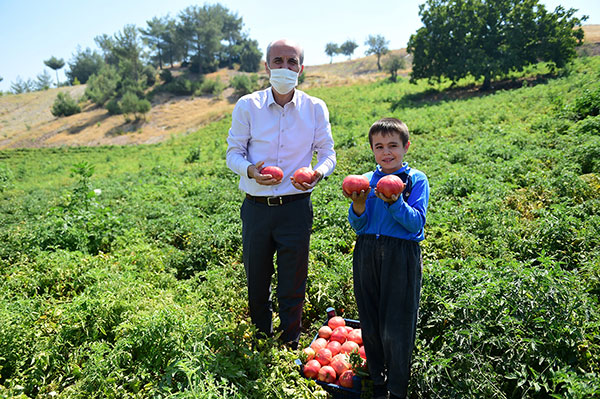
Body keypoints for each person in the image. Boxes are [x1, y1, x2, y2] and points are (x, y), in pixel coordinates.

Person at [226, 38, 336, 349]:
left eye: (291, 61)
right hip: (257, 207)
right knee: (257, 279)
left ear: (301, 68)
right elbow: (233, 153)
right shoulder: (248, 105)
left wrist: (318, 173)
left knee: (293, 279)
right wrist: (250, 171)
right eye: (278, 61)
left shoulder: (314, 108)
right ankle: (262, 337)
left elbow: (328, 153)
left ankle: (290, 341)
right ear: (267, 66)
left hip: (295, 207)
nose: (284, 67)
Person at [344, 118, 429, 399]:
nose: (386, 152)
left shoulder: (415, 180)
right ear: (372, 150)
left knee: (397, 321)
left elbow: (416, 224)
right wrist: (357, 206)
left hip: (400, 254)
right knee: (370, 315)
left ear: (406, 147)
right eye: (379, 146)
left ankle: (397, 386)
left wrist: (396, 203)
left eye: (393, 145)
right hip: (367, 251)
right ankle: (378, 380)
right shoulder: (367, 182)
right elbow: (359, 226)